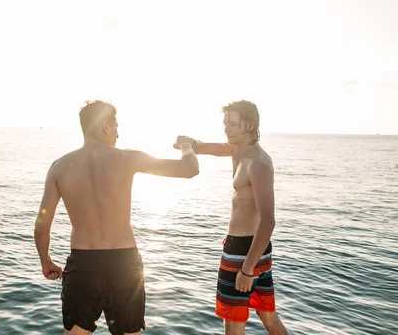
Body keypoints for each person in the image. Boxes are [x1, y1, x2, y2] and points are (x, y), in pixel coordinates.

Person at [34, 100, 199, 335]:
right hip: (124, 265)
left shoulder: (59, 167)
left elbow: (41, 226)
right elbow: (189, 169)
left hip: (83, 267)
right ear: (105, 125)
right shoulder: (127, 158)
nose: (118, 134)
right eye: (116, 127)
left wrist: (46, 261)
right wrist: (187, 146)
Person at [174, 100, 288, 335]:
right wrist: (189, 143)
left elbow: (268, 220)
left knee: (232, 322)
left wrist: (247, 269)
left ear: (248, 125)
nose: (226, 128)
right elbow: (206, 147)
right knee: (268, 315)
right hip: (256, 249)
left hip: (243, 253)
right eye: (224, 122)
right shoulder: (237, 150)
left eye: (232, 123)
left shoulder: (259, 163)